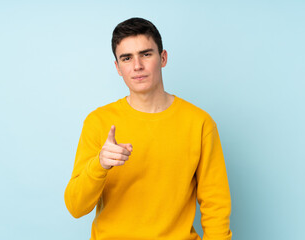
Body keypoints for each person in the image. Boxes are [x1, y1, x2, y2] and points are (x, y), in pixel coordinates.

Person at [64, 17, 232, 240]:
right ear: (117, 67)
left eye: (146, 54)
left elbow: (215, 205)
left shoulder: (199, 123)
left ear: (163, 58)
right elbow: (76, 207)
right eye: (126, 58)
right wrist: (100, 164)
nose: (137, 66)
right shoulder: (98, 122)